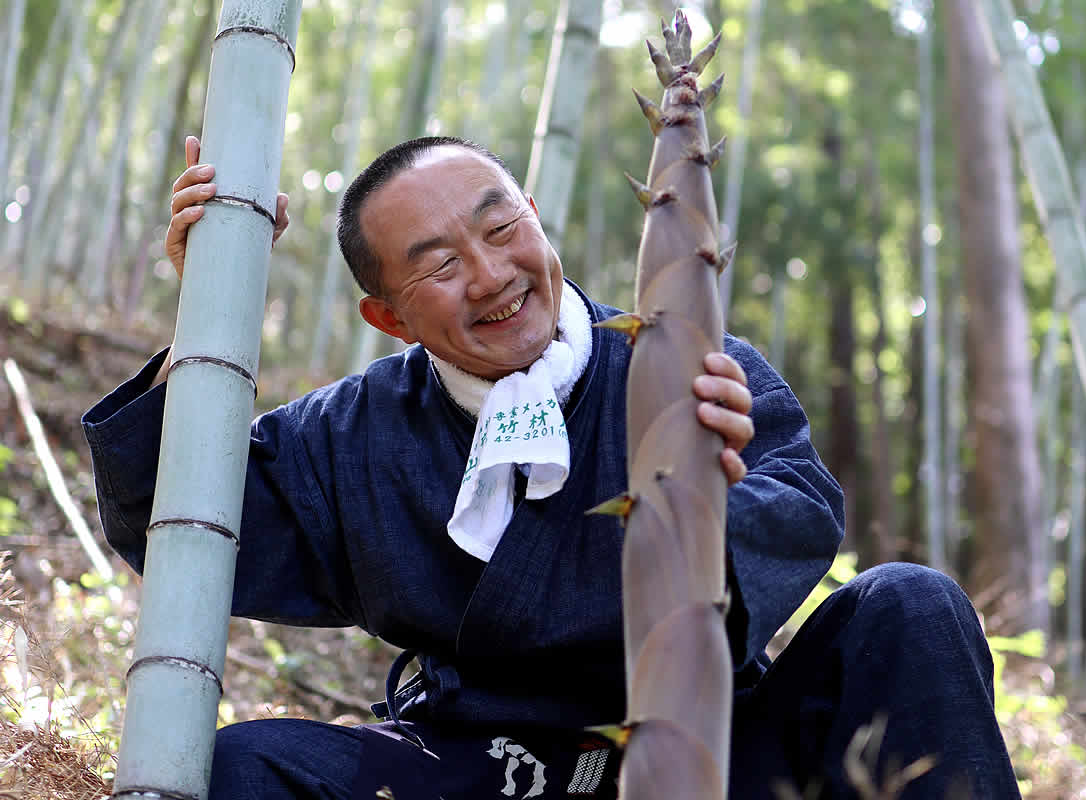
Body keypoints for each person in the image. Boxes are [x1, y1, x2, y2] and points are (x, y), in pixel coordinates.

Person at [83, 134, 1021, 799]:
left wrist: (701, 507)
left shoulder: (684, 364)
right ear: (390, 319)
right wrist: (210, 312)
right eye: (439, 265)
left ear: (533, 216)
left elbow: (803, 504)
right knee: (247, 770)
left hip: (709, 751)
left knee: (910, 603)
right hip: (485, 768)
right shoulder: (354, 432)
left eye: (499, 231)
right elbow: (185, 525)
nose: (491, 277)